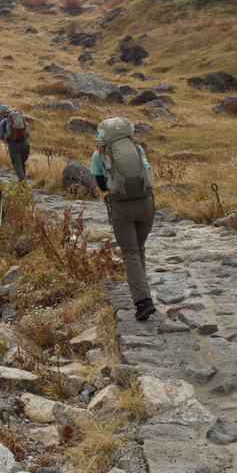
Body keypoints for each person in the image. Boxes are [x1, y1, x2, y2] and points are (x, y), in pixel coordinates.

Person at [92, 118, 156, 321]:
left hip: (121, 207)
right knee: (139, 249)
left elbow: (102, 186)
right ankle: (143, 293)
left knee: (129, 253)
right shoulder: (137, 148)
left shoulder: (99, 154)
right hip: (146, 204)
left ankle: (143, 301)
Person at [0, 108, 30, 182]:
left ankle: (23, 184)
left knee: (17, 165)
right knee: (22, 163)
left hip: (13, 145)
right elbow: (28, 134)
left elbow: (1, 137)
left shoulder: (3, 122)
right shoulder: (22, 120)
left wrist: (7, 137)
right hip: (25, 144)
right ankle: (23, 181)